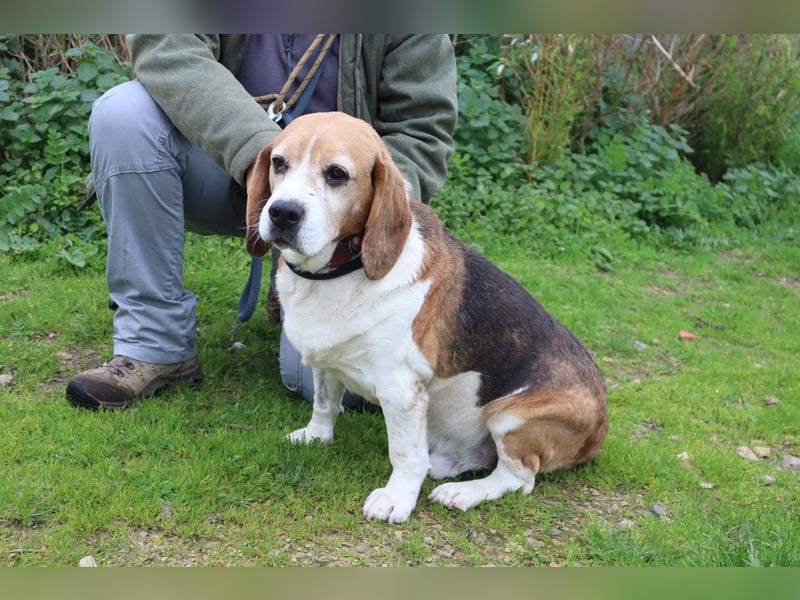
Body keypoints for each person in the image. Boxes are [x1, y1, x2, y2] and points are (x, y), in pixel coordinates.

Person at [65, 34, 458, 410]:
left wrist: (368, 220)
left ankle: (298, 273)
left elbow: (420, 131)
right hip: (225, 167)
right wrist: (265, 160)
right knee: (123, 114)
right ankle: (154, 345)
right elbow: (165, 47)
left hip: (340, 209)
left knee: (343, 385)